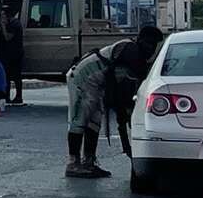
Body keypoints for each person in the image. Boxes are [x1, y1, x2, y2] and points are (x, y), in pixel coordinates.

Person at [62, 26, 166, 179]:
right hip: (82, 76)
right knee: (80, 118)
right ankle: (73, 163)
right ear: (141, 40)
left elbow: (122, 89)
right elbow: (132, 84)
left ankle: (88, 162)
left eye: (154, 45)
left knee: (94, 121)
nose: (151, 49)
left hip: (96, 83)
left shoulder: (134, 52)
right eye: (150, 44)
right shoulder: (131, 51)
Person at [0, 0, 27, 104]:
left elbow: (8, 37)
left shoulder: (14, 23)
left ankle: (18, 96)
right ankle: (7, 96)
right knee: (7, 76)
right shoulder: (11, 22)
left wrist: (3, 26)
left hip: (15, 54)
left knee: (16, 76)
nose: (1, 17)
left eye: (3, 15)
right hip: (7, 54)